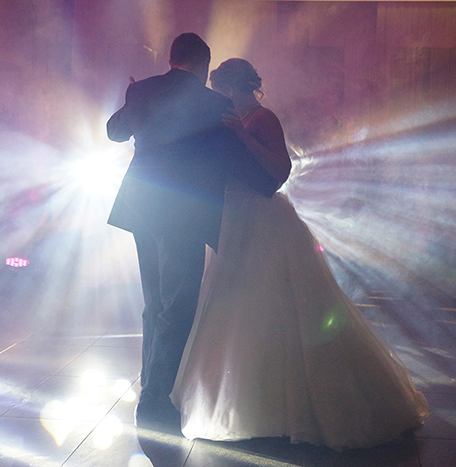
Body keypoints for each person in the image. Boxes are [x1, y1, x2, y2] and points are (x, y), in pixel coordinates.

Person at [171, 59, 428, 451]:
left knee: (275, 309)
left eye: (219, 87)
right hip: (236, 218)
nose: (215, 96)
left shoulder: (261, 118)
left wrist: (241, 134)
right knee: (238, 309)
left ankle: (292, 407)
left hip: (264, 220)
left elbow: (280, 169)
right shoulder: (229, 120)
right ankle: (251, 402)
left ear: (233, 87)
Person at [106, 34, 276, 431]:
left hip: (141, 208)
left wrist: (132, 98)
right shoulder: (217, 105)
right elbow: (235, 164)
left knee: (154, 303)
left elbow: (114, 132)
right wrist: (267, 182)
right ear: (204, 65)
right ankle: (154, 398)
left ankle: (151, 387)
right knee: (178, 306)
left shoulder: (142, 90)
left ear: (171, 60)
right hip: (185, 213)